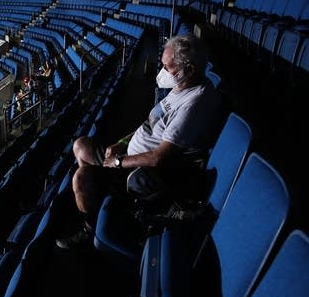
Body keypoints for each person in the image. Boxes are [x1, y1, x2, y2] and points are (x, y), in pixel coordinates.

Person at [55, 34, 224, 250]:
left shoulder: (194, 102)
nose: (162, 71)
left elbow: (158, 158)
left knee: (81, 177)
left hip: (141, 171)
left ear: (189, 69)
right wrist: (122, 142)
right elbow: (150, 123)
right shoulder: (181, 85)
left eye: (167, 66)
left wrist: (117, 162)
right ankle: (102, 199)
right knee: (81, 145)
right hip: (127, 155)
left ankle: (91, 228)